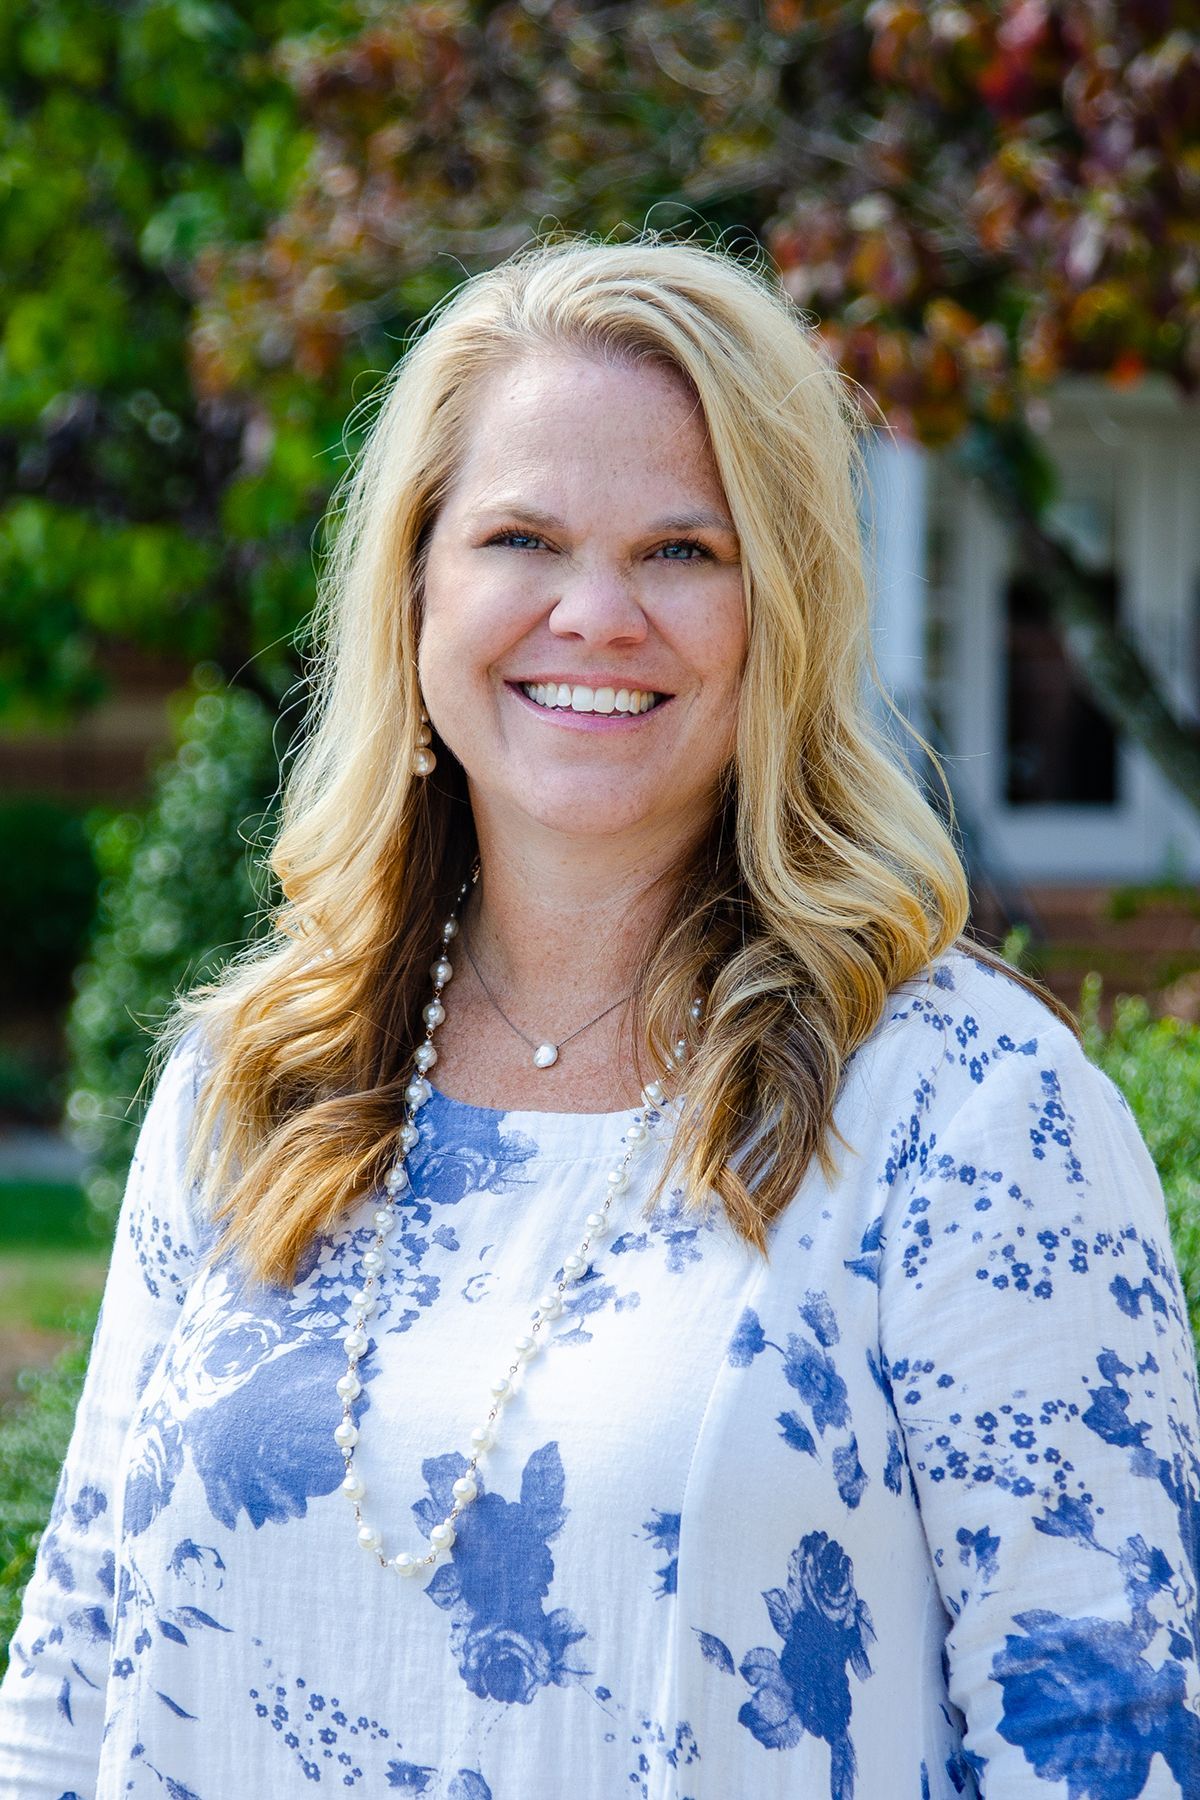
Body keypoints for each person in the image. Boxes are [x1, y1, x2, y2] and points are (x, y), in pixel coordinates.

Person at [1, 233, 1197, 1800]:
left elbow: (1105, 1747)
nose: (596, 614)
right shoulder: (252, 1086)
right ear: (417, 586)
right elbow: (69, 1696)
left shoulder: (973, 1116)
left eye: (684, 551)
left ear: (787, 607)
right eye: (522, 537)